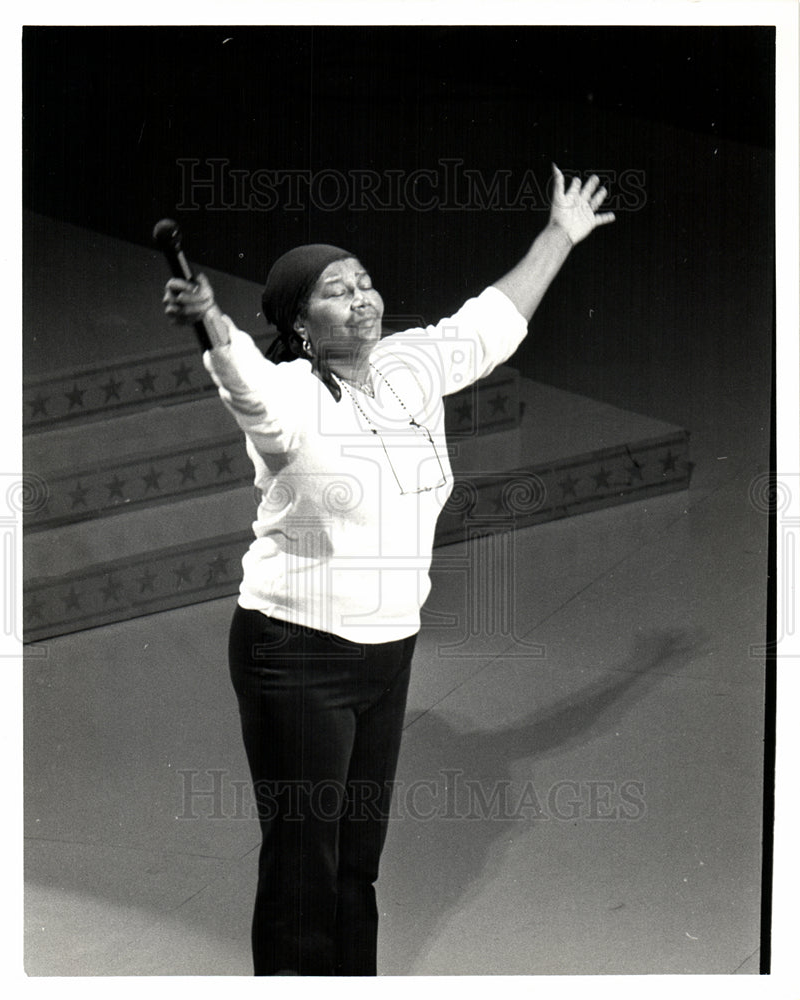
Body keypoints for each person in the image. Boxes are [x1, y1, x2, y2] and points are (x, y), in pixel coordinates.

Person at [162, 164, 614, 976]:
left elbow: (493, 320)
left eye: (365, 282)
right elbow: (246, 388)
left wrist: (560, 233)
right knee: (305, 865)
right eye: (337, 290)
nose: (362, 297)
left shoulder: (409, 365)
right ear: (301, 323)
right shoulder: (293, 397)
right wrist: (212, 328)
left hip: (387, 650)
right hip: (295, 651)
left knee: (355, 863)